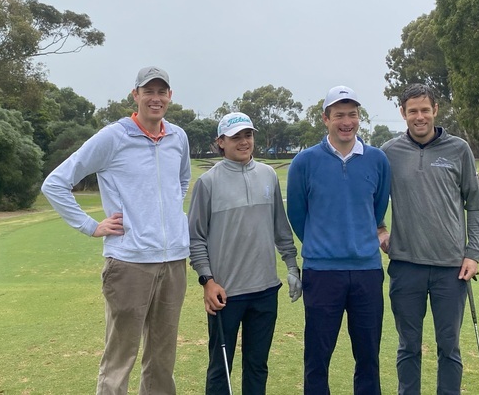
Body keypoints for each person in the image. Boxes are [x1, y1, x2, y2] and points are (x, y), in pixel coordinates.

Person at [41, 66, 191, 395]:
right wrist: (91, 226)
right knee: (119, 360)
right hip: (128, 264)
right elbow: (55, 183)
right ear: (135, 95)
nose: (155, 98)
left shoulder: (178, 137)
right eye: (148, 91)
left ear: (170, 96)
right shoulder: (114, 137)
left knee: (162, 361)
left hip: (173, 262)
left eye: (161, 92)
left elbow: (181, 182)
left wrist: (167, 217)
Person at [380, 83, 479, 395]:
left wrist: (473, 252)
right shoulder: (388, 153)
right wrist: (380, 230)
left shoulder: (459, 149)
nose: (420, 116)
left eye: (425, 110)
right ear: (403, 113)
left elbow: (475, 204)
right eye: (412, 111)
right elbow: (370, 198)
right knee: (408, 346)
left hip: (451, 269)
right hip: (405, 266)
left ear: (435, 110)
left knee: (449, 347)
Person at [286, 85, 392, 395]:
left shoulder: (377, 160)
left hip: (367, 271)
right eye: (339, 115)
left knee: (368, 357)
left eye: (353, 115)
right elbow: (297, 214)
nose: (347, 122)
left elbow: (377, 209)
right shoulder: (304, 162)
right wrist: (321, 244)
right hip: (322, 273)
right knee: (317, 358)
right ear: (325, 119)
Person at [188, 111, 301, 395]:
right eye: (235, 137)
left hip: (265, 290)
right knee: (220, 369)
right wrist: (207, 281)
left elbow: (281, 228)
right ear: (221, 142)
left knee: (257, 366)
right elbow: (195, 238)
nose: (243, 142)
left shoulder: (268, 175)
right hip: (225, 294)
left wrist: (291, 266)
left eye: (248, 135)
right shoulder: (208, 182)